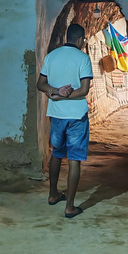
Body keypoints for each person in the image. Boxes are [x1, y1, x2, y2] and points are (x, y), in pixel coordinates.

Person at [36, 23, 93, 218]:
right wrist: (64, 95)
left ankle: (53, 194)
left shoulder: (51, 57)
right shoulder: (83, 59)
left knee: (57, 154)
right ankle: (69, 206)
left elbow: (40, 84)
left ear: (67, 37)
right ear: (80, 40)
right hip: (77, 116)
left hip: (57, 115)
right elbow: (84, 90)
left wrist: (55, 93)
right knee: (75, 159)